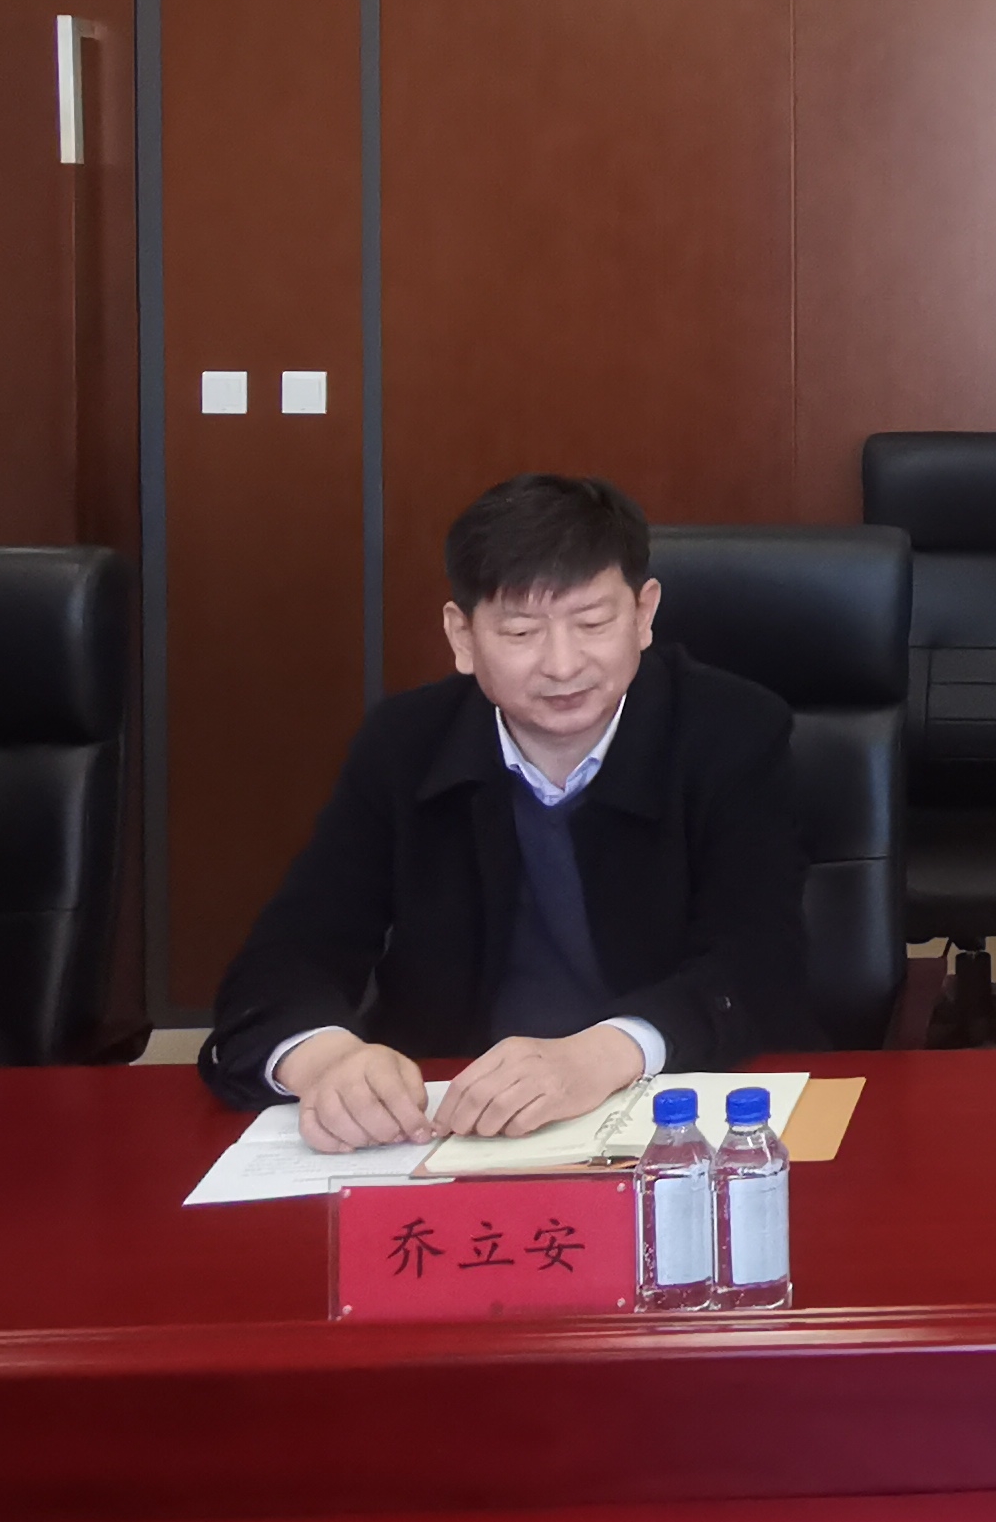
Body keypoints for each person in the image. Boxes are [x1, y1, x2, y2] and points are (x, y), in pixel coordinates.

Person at [208, 472, 813, 1138]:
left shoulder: (732, 732)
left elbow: (758, 963)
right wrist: (329, 1061)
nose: (562, 664)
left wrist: (601, 1054)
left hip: (676, 1114)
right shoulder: (406, 745)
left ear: (643, 616)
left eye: (593, 623)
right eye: (522, 632)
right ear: (462, 637)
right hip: (454, 1122)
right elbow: (288, 954)